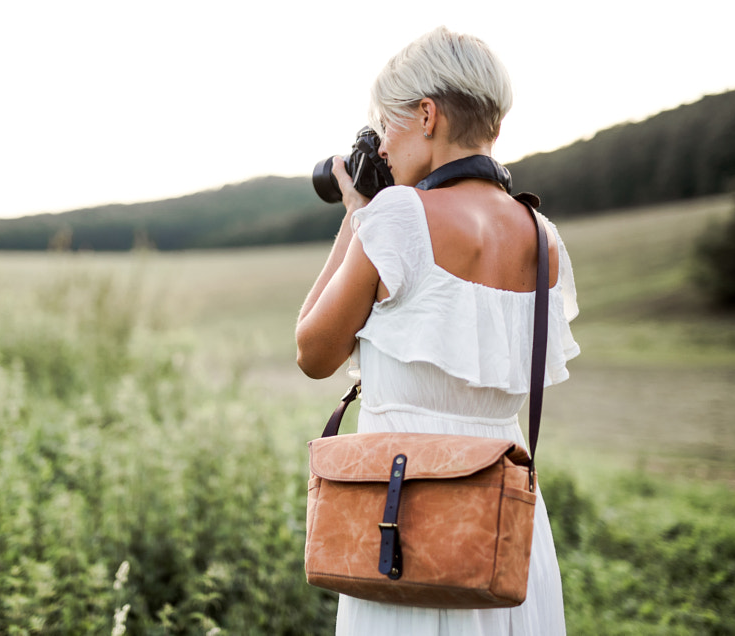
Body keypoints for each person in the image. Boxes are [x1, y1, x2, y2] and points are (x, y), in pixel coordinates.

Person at [295, 26, 579, 635]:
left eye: (386, 125)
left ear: (427, 115)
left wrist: (358, 216)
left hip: (407, 526)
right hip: (502, 537)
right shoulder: (543, 235)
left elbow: (312, 351)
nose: (384, 148)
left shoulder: (397, 216)